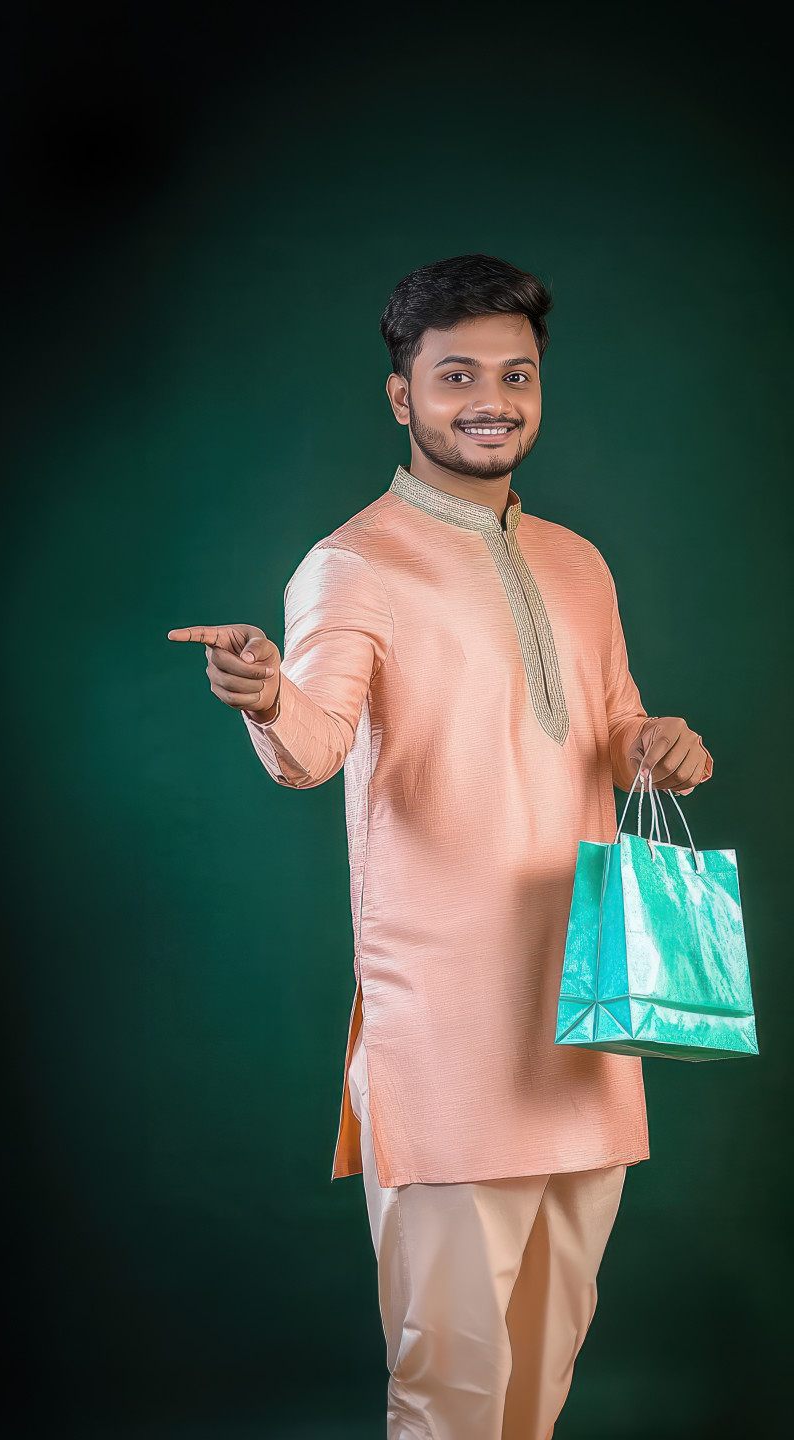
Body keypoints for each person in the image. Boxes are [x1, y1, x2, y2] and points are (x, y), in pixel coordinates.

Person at [167, 253, 712, 1439]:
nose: (491, 399)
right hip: (451, 1030)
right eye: (456, 373)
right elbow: (313, 747)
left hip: (590, 1006)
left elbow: (613, 725)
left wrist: (662, 742)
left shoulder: (577, 561)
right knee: (448, 1380)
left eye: (515, 375)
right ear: (401, 396)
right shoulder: (353, 563)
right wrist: (265, 694)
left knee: (547, 1358)